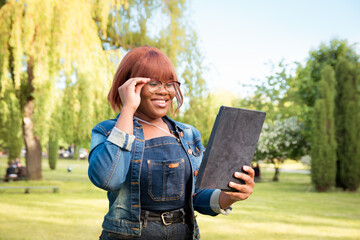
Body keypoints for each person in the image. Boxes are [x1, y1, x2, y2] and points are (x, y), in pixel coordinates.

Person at [88, 46, 255, 240]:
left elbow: (197, 197)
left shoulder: (188, 134)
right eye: (153, 83)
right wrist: (128, 108)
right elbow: (109, 179)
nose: (164, 91)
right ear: (129, 86)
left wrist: (229, 197)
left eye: (169, 84)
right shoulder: (108, 131)